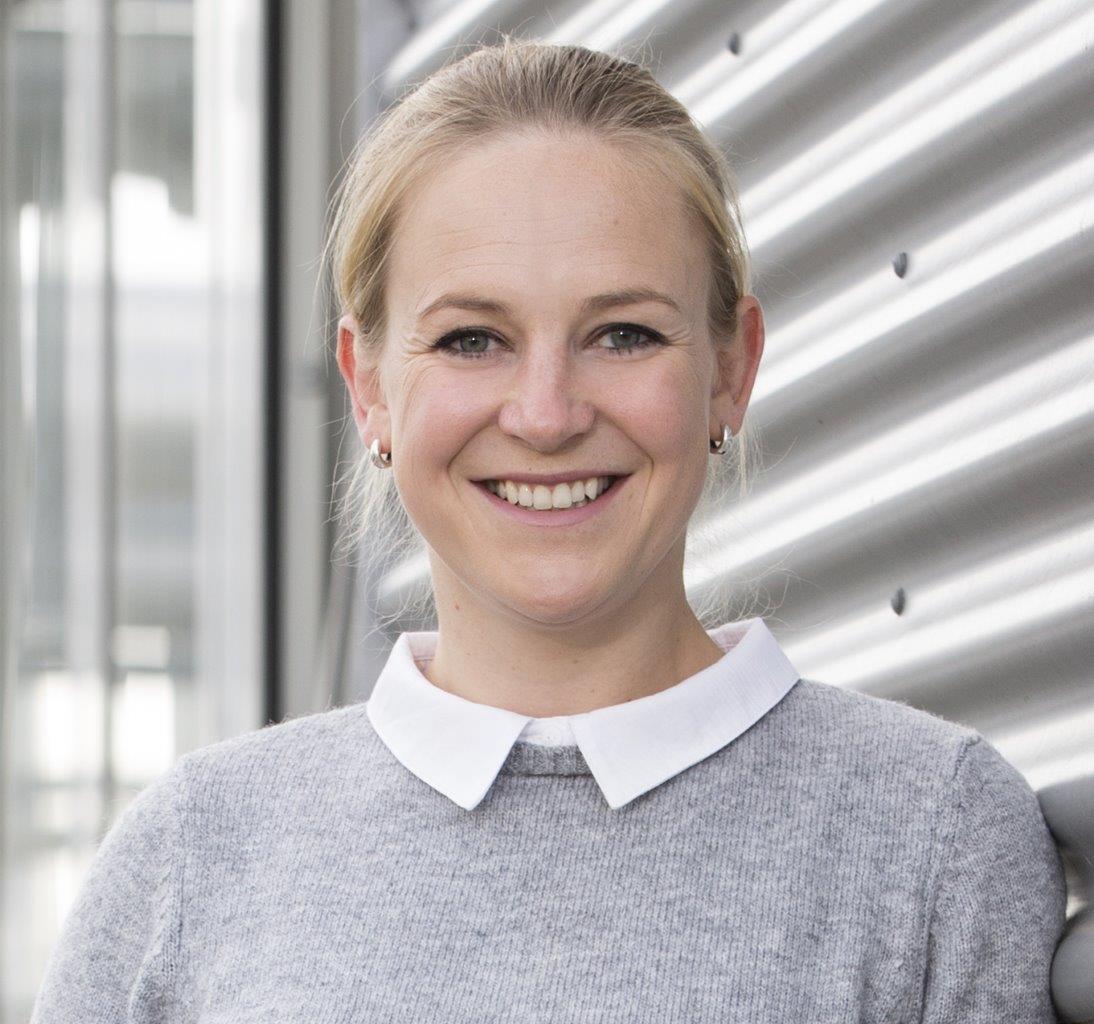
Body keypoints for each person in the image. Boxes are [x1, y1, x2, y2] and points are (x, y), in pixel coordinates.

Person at [31, 37, 1065, 1023]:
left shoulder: (935, 836)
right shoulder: (192, 858)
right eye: (470, 339)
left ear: (731, 369)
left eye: (623, 334)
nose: (545, 414)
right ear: (369, 387)